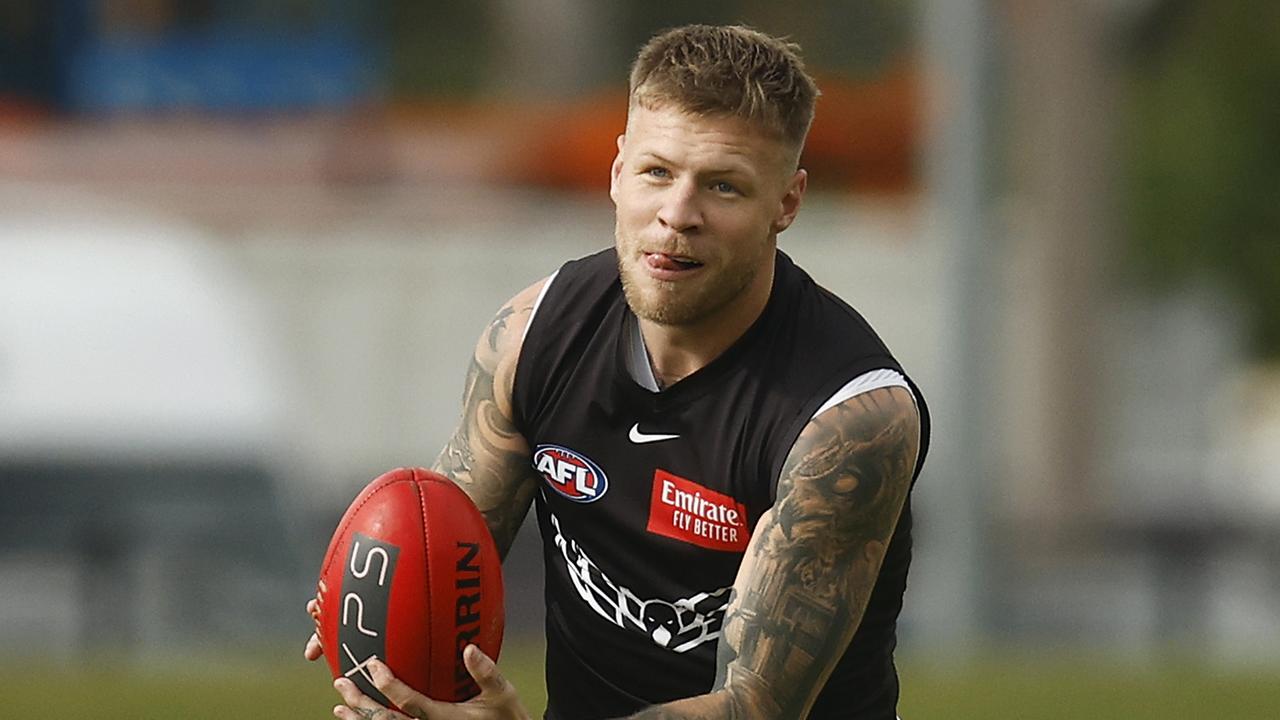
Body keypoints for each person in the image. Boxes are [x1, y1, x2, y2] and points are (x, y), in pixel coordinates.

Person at [306, 23, 929, 720]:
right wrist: (381, 605)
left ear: (786, 203)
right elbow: (445, 549)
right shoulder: (532, 335)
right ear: (616, 172)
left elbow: (755, 707)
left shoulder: (849, 419)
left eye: (723, 187)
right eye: (656, 173)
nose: (677, 215)